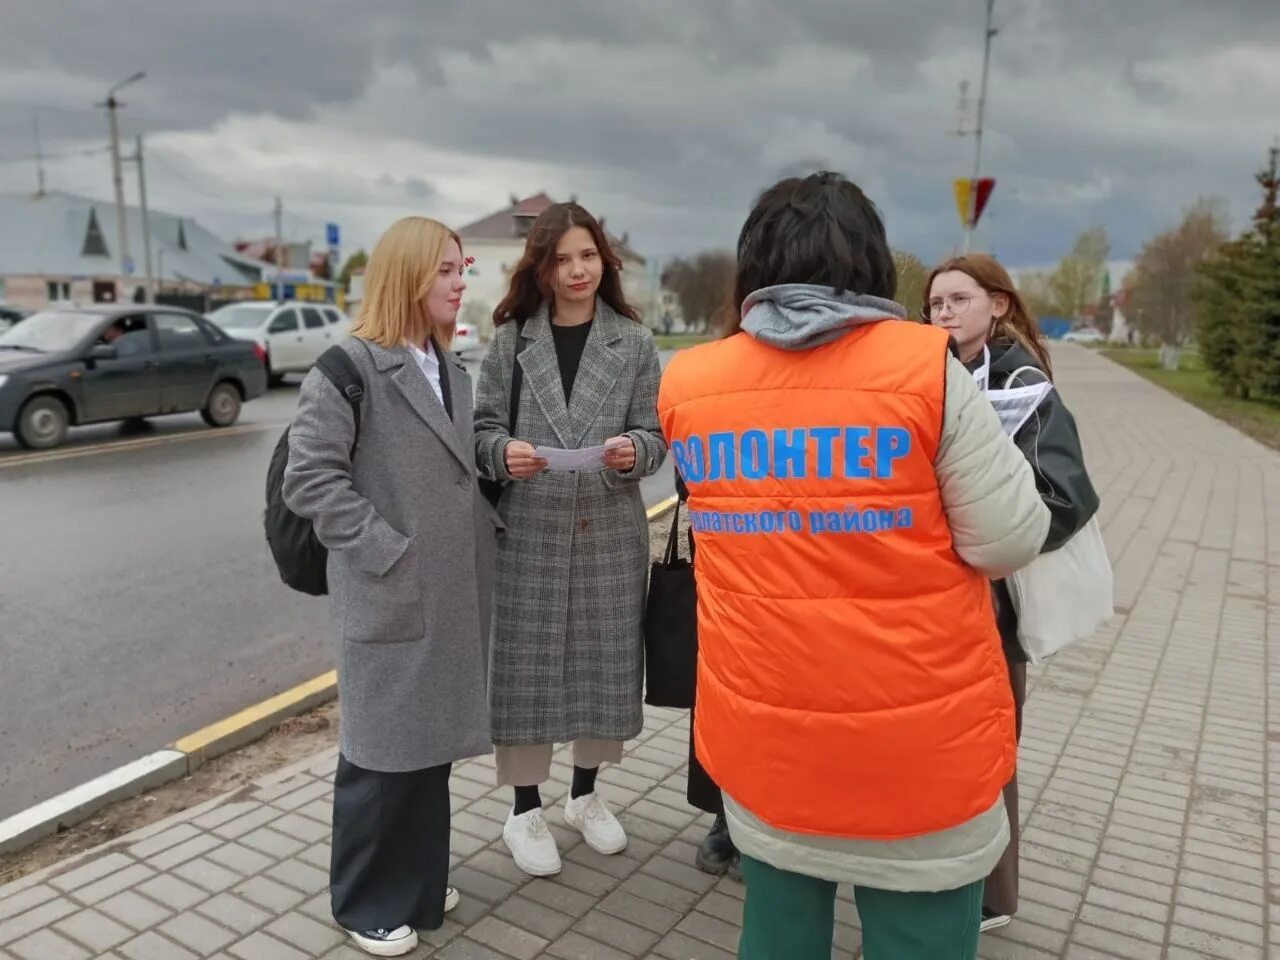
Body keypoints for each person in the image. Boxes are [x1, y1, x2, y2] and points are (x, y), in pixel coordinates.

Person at [657, 171, 1051, 960]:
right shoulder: (924, 368)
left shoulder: (691, 383)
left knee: (777, 935)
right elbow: (1009, 538)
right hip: (919, 754)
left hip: (769, 746)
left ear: (754, 267)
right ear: (870, 265)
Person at [282, 217, 497, 957]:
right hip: (393, 590)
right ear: (407, 275)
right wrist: (386, 551)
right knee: (380, 758)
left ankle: (416, 879)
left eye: (460, 268)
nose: (459, 281)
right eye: (445, 270)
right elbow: (309, 477)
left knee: (426, 751)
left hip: (448, 594)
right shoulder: (349, 369)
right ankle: (365, 900)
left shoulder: (450, 367)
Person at [474, 201, 666, 878]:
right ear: (543, 268)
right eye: (562, 259)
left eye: (588, 256)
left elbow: (656, 434)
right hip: (530, 526)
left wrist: (632, 453)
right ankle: (524, 808)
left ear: (604, 262)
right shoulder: (510, 340)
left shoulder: (636, 343)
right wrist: (503, 453)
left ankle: (584, 796)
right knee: (525, 671)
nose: (577, 270)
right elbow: (480, 429)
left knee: (602, 668)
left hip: (609, 528)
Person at [925, 253, 1100, 933]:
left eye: (958, 300)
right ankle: (930, 872)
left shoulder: (1024, 383)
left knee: (989, 742)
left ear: (997, 305)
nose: (944, 313)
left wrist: (996, 527)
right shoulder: (927, 375)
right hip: (932, 592)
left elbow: (1067, 495)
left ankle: (993, 895)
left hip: (991, 598)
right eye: (935, 303)